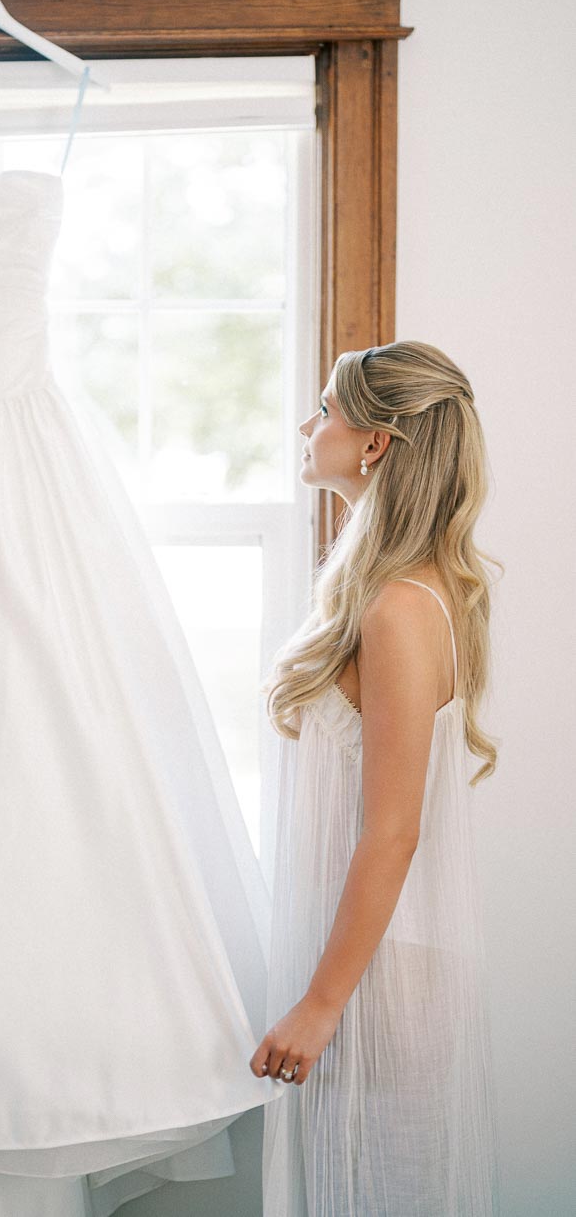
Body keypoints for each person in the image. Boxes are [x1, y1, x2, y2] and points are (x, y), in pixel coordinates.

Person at [251, 341, 501, 1216]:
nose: (306, 424)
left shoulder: (399, 608)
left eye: (325, 407)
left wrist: (321, 1003)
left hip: (380, 980)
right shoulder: (397, 591)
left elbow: (394, 830)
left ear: (374, 444)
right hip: (370, 961)